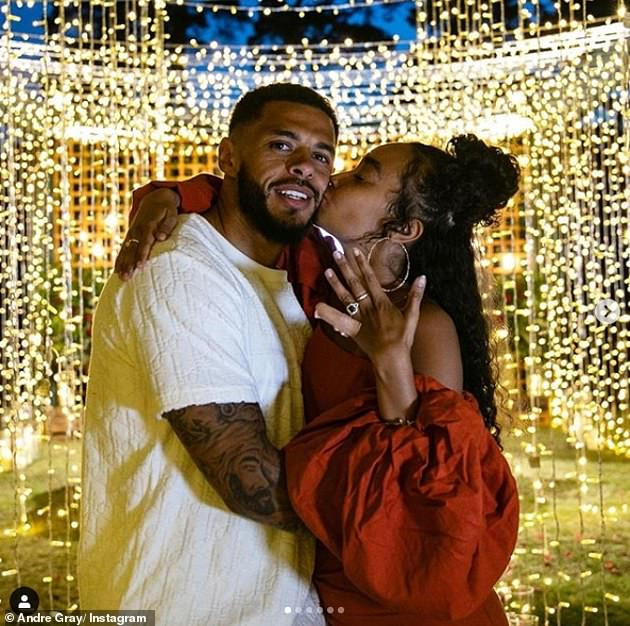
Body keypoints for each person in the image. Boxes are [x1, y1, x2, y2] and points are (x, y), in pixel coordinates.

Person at [118, 135, 521, 625]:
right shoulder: (315, 279)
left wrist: (390, 362)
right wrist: (167, 196)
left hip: (405, 584)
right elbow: (241, 204)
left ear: (404, 228)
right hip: (334, 581)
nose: (336, 179)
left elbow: (435, 488)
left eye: (362, 176)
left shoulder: (427, 326)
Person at [79, 83, 339, 626]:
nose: (304, 166)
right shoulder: (180, 269)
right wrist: (407, 521)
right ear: (228, 157)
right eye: (281, 145)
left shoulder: (293, 273)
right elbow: (253, 485)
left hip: (277, 601)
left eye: (322, 155)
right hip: (182, 602)